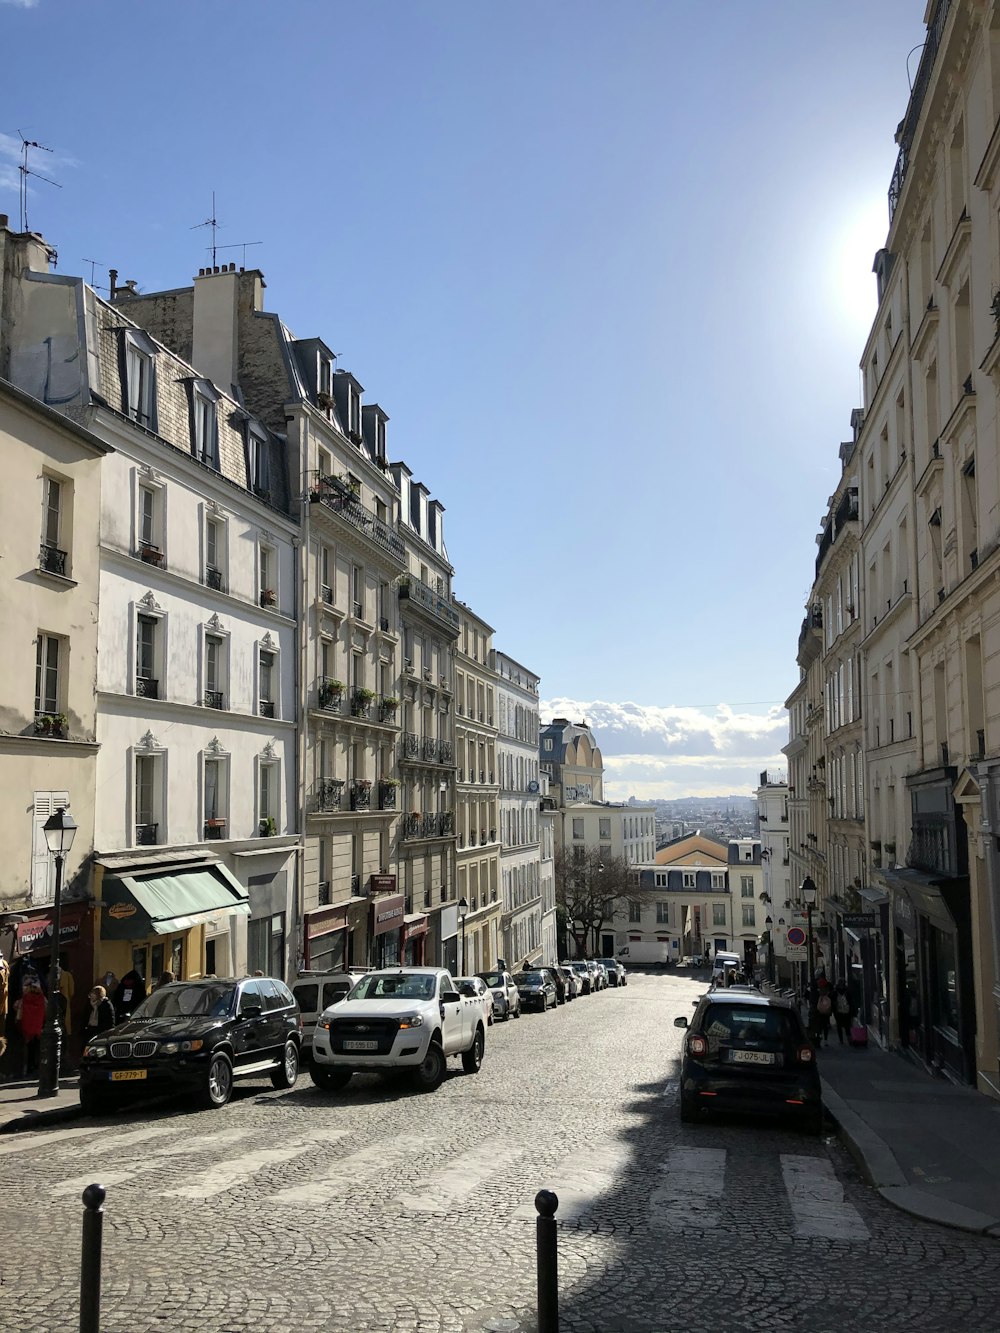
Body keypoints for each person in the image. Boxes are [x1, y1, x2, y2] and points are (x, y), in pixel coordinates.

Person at [16, 974, 46, 1076]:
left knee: (29, 1049)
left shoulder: (25, 999)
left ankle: (28, 1068)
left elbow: (17, 1009)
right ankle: (36, 1066)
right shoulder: (41, 998)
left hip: (27, 1028)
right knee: (38, 1048)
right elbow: (47, 1010)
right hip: (38, 1028)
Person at [808, 969, 834, 1046]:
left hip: (817, 1007)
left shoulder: (814, 985)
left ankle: (818, 1038)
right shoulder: (828, 984)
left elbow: (809, 995)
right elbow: (832, 994)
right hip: (826, 1007)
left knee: (817, 1024)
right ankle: (825, 1039)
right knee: (825, 1024)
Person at [833, 978, 853, 1046]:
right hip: (846, 1010)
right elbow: (850, 1001)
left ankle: (841, 1040)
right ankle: (849, 1039)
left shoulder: (835, 991)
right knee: (847, 1025)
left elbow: (833, 1001)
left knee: (839, 1025)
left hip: (838, 1011)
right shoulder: (847, 990)